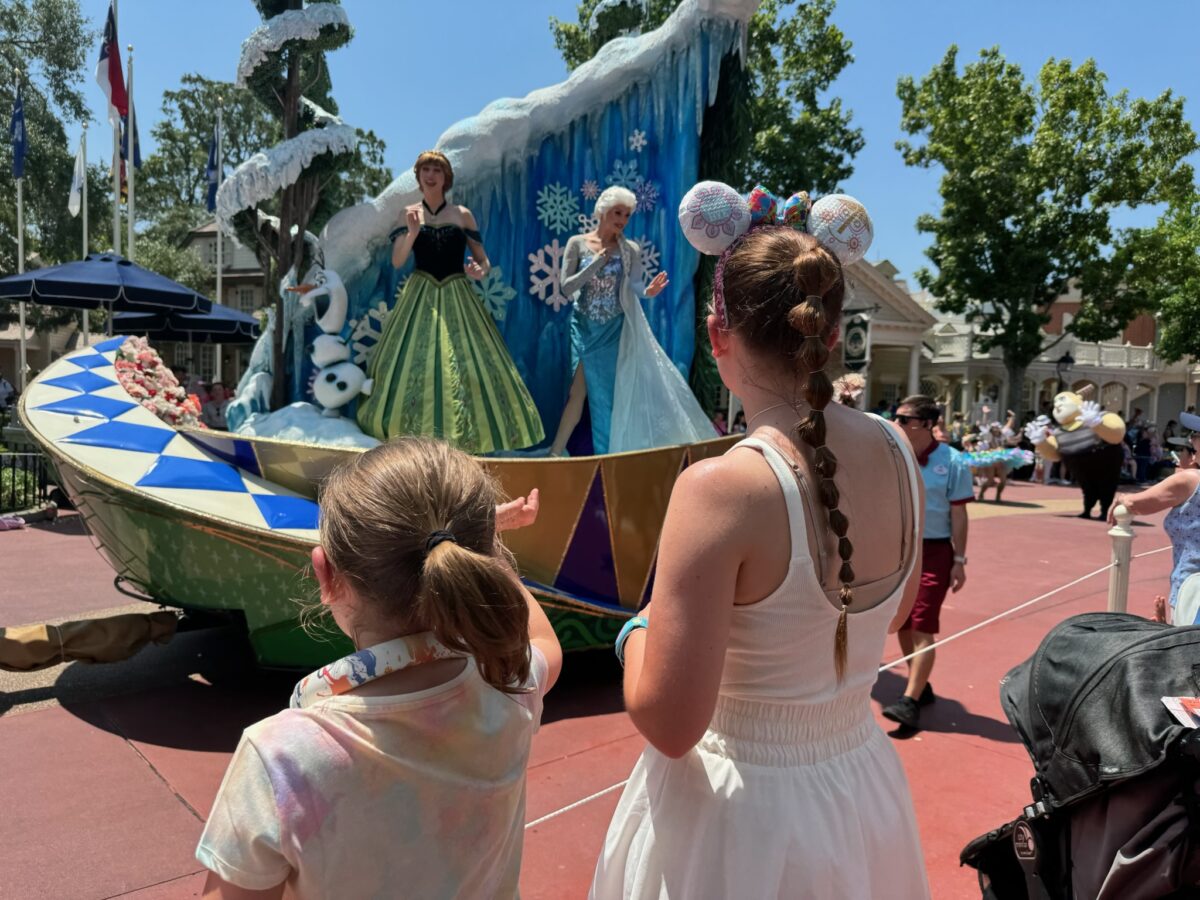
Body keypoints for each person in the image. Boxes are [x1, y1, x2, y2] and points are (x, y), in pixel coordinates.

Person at [592, 217, 930, 898]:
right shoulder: (899, 451)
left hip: (738, 816)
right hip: (857, 791)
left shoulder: (721, 488)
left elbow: (670, 723)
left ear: (720, 335)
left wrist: (638, 631)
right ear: (832, 336)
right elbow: (895, 616)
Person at [196, 438, 562, 898]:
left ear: (326, 575)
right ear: (478, 563)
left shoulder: (282, 758)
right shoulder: (509, 689)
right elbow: (544, 642)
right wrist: (487, 547)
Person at [357, 151, 544, 454]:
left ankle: (468, 437)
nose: (431, 175)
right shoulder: (408, 213)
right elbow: (397, 261)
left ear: (446, 178)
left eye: (437, 170)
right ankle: (413, 441)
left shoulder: (462, 214)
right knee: (417, 364)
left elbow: (484, 262)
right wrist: (413, 231)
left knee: (464, 365)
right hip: (421, 296)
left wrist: (477, 271)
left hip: (459, 292)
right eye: (425, 170)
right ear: (418, 176)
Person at [550, 187, 713, 456]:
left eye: (627, 215)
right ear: (603, 210)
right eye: (617, 212)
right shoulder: (577, 243)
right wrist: (594, 265)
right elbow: (566, 288)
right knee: (577, 393)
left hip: (613, 330)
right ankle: (556, 452)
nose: (622, 219)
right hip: (583, 328)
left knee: (607, 397)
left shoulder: (629, 249)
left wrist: (649, 291)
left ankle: (607, 454)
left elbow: (636, 285)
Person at [882, 395, 972, 732]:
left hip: (935, 551)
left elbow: (959, 514)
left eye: (907, 420)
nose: (900, 424)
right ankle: (920, 685)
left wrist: (959, 560)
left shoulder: (953, 462)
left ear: (928, 425)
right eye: (897, 417)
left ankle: (909, 702)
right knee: (902, 621)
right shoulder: (896, 457)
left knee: (922, 624)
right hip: (902, 548)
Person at [1109, 425, 1200, 625]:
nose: (1191, 441)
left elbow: (1138, 504)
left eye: (1195, 437)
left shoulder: (1190, 480)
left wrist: (1123, 498)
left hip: (1193, 591)